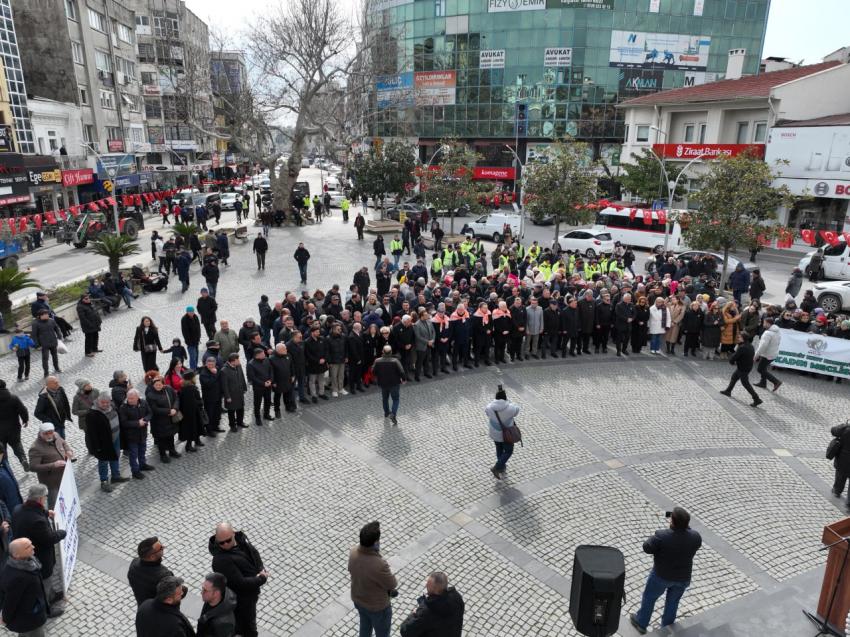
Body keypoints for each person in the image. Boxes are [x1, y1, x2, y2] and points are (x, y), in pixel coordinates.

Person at [630, 507, 702, 635]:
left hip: (661, 576)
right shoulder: (695, 537)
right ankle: (666, 629)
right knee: (673, 602)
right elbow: (691, 538)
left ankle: (641, 622)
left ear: (672, 521)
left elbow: (646, 547)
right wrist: (683, 526)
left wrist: (660, 534)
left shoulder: (661, 536)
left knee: (649, 597)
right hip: (682, 578)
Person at [11, 483, 66, 613]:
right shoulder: (37, 521)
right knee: (44, 582)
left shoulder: (18, 509)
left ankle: (51, 595)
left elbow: (34, 511)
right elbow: (49, 538)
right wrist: (62, 533)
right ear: (41, 499)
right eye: (46, 497)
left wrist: (46, 513)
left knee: (45, 582)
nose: (46, 499)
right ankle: (47, 609)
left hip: (26, 553)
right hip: (40, 557)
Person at [208, 522, 268, 637]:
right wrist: (261, 578)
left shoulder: (241, 539)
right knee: (248, 628)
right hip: (241, 601)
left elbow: (253, 553)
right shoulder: (221, 561)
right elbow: (240, 583)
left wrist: (260, 568)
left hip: (250, 595)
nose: (225, 544)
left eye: (228, 540)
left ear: (233, 533)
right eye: (221, 542)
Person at [348, 520, 398, 637]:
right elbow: (392, 584)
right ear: (375, 543)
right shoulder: (379, 564)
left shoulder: (353, 552)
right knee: (382, 633)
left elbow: (350, 570)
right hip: (377, 607)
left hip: (359, 600)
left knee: (365, 627)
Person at [0, 538, 51, 635]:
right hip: (29, 619)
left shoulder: (27, 562)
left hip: (32, 611)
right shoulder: (17, 577)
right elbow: (10, 601)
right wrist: (5, 619)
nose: (33, 547)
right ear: (17, 555)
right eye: (28, 547)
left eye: (31, 544)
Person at [399, 571, 465, 637]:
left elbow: (405, 631)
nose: (426, 586)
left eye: (428, 585)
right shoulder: (457, 598)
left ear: (435, 589)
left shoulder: (427, 611)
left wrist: (413, 614)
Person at [86, 395, 129, 492]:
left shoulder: (113, 407)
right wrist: (97, 447)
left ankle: (115, 476)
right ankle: (104, 481)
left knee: (115, 456)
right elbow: (92, 433)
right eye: (103, 402)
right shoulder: (92, 414)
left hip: (116, 438)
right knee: (103, 461)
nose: (105, 404)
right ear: (98, 402)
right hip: (103, 443)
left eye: (107, 402)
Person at [27, 423, 72, 507]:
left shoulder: (56, 435)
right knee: (54, 504)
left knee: (66, 498)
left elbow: (63, 443)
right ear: (40, 433)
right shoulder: (35, 448)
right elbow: (33, 467)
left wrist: (68, 450)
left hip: (64, 477)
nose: (49, 435)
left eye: (51, 432)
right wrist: (53, 465)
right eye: (46, 433)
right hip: (51, 483)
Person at [485, 386, 519, 480]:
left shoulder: (489, 407)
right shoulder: (510, 408)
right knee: (508, 451)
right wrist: (509, 402)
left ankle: (501, 466)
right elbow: (517, 410)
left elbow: (487, 413)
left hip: (495, 433)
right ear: (505, 398)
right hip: (507, 435)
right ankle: (497, 467)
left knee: (499, 448)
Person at [119, 389, 154, 479]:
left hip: (142, 433)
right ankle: (135, 471)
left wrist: (145, 420)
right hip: (131, 436)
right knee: (133, 454)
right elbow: (124, 423)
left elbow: (150, 413)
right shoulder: (123, 407)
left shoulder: (143, 402)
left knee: (142, 450)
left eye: (132, 398)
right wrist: (138, 423)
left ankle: (142, 465)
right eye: (128, 398)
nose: (130, 400)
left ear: (137, 397)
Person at [127, 537, 173, 606]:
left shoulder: (134, 564)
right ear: (152, 557)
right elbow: (173, 597)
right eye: (160, 548)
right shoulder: (164, 576)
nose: (163, 547)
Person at [720, 333, 762, 407]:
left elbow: (735, 356)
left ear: (743, 338)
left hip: (743, 368)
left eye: (739, 337)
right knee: (734, 377)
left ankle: (757, 399)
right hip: (747, 367)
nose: (738, 338)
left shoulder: (742, 347)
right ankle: (728, 391)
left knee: (746, 384)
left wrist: (731, 361)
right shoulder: (750, 345)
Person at [145, 375, 181, 463]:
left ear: (163, 384)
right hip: (159, 421)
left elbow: (176, 398)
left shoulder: (169, 389)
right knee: (161, 438)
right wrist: (169, 411)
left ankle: (172, 451)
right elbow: (154, 409)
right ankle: (163, 455)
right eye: (156, 385)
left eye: (160, 384)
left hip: (170, 419)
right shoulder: (150, 395)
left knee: (171, 435)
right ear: (153, 385)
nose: (158, 386)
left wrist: (175, 409)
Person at [0, 380, 30, 471]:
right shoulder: (13, 398)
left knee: (2, 449)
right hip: (14, 428)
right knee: (17, 444)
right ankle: (23, 459)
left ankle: (6, 467)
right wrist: (25, 420)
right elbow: (23, 410)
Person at [372, 345, 405, 426]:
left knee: (385, 399)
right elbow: (402, 372)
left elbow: (373, 372)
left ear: (382, 351)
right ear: (391, 352)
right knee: (395, 399)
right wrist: (403, 379)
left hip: (383, 383)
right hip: (394, 383)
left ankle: (386, 413)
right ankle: (393, 414)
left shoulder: (377, 361)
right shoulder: (395, 361)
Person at [198, 572, 237, 637]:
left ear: (216, 593)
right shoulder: (210, 600)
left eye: (205, 590)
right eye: (202, 588)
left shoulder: (223, 623)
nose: (201, 592)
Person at [753, 316, 783, 393]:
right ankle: (763, 383)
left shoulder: (767, 333)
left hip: (767, 354)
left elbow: (763, 346)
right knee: (764, 368)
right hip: (773, 353)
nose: (763, 324)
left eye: (764, 323)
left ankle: (776, 382)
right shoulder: (777, 331)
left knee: (760, 369)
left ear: (768, 323)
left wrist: (756, 355)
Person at [30, 309, 62, 377]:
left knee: (55, 356)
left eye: (47, 314)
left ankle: (57, 368)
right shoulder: (35, 323)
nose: (48, 315)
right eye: (46, 314)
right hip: (44, 344)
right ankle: (46, 372)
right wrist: (37, 345)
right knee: (45, 358)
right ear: (41, 316)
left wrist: (59, 335)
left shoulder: (51, 320)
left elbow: (57, 328)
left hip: (53, 341)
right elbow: (34, 335)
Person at [220, 353, 248, 431]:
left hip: (239, 392)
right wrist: (227, 396)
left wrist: (244, 388)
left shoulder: (238, 366)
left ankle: (240, 422)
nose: (239, 361)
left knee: (241, 408)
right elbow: (224, 385)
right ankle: (232, 425)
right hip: (231, 394)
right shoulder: (224, 371)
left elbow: (242, 377)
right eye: (238, 360)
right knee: (231, 410)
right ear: (232, 361)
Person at [246, 349, 274, 424]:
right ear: (257, 355)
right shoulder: (251, 364)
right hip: (258, 387)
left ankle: (266, 414)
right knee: (257, 403)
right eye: (263, 354)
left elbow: (271, 370)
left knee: (268, 400)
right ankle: (257, 418)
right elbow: (252, 377)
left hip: (268, 385)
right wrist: (263, 383)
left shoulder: (267, 360)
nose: (264, 355)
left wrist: (270, 380)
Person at [200, 358, 225, 435]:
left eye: (212, 364)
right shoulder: (203, 373)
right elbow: (208, 384)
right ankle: (209, 430)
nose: (211, 366)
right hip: (209, 398)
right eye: (209, 364)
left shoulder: (217, 369)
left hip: (218, 396)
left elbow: (221, 381)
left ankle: (216, 426)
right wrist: (214, 374)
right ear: (206, 364)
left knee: (217, 413)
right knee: (209, 414)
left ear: (215, 364)